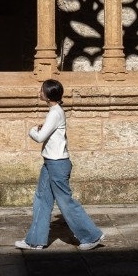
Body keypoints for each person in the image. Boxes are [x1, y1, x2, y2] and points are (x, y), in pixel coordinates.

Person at [15, 78, 106, 251]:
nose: (39, 92)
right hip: (50, 162)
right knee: (42, 200)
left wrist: (32, 130)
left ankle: (92, 236)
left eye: (42, 90)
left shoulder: (55, 112)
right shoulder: (54, 112)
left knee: (65, 202)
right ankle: (35, 240)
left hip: (57, 164)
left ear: (48, 95)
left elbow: (39, 137)